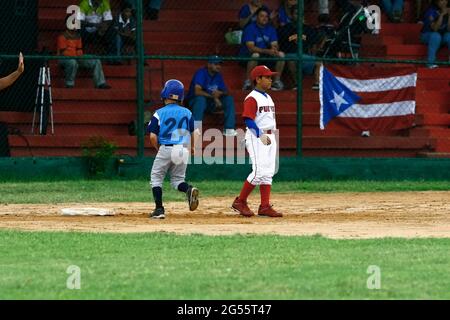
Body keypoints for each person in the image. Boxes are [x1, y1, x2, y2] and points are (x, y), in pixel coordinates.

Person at [231, 65, 283, 218]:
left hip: (270, 136)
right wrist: (260, 135)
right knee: (259, 172)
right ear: (258, 79)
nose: (270, 79)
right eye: (267, 77)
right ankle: (240, 201)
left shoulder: (268, 97)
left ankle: (265, 206)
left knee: (267, 173)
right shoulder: (252, 97)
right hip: (256, 137)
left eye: (270, 77)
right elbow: (248, 119)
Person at [147, 79, 199, 219]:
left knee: (156, 179)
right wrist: (192, 147)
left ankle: (159, 209)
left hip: (166, 147)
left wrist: (158, 148)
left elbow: (152, 136)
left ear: (165, 94)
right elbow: (196, 133)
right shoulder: (187, 112)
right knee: (177, 180)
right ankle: (188, 189)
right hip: (182, 149)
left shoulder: (159, 113)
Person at [185, 56, 237, 137]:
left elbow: (225, 91)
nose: (218, 66)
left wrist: (220, 93)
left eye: (220, 64)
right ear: (209, 64)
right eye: (216, 64)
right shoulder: (201, 73)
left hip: (211, 103)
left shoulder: (218, 75)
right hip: (195, 102)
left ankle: (229, 129)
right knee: (200, 99)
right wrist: (214, 97)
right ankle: (195, 130)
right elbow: (197, 91)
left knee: (229, 99)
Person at [240, 7, 286, 91]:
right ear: (256, 17)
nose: (264, 18)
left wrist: (274, 49)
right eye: (261, 16)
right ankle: (248, 82)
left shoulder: (271, 29)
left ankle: (276, 82)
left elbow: (274, 44)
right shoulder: (250, 28)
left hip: (266, 55)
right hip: (248, 55)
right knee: (255, 55)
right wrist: (268, 51)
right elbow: (251, 48)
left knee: (281, 54)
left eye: (266, 16)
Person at [57, 19, 111, 89]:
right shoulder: (62, 36)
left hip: (77, 57)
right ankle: (69, 84)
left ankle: (100, 83)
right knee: (72, 62)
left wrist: (80, 56)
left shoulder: (78, 36)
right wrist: (76, 56)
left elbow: (79, 50)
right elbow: (63, 52)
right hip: (65, 58)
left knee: (96, 60)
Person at [278, 7, 322, 90]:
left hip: (304, 56)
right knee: (291, 62)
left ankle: (317, 84)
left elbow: (314, 44)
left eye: (301, 14)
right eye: (296, 14)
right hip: (290, 55)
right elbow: (280, 45)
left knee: (319, 62)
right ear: (291, 15)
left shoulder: (308, 29)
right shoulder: (285, 28)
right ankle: (297, 85)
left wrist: (313, 54)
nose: (299, 16)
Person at [420, 0, 450, 68]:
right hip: (427, 35)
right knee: (436, 36)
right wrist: (442, 15)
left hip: (442, 36)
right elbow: (435, 29)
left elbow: (449, 29)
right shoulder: (430, 11)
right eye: (441, 0)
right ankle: (430, 63)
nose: (444, 2)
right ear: (437, 2)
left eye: (445, 0)